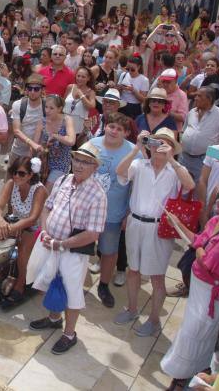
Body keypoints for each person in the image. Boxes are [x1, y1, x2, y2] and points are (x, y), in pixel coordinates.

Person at [160, 183, 219, 390]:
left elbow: (208, 261)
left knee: (197, 330)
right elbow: (197, 240)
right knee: (193, 329)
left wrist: (200, 247)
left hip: (214, 291)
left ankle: (187, 373)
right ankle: (186, 371)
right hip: (200, 286)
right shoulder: (215, 220)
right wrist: (178, 224)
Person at [26, 142, 107, 355]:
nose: (79, 165)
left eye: (86, 162)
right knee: (50, 280)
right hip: (50, 244)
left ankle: (69, 334)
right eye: (77, 159)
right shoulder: (63, 180)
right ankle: (54, 318)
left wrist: (61, 244)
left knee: (72, 292)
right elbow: (47, 207)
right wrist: (44, 232)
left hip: (72, 251)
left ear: (95, 167)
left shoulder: (98, 195)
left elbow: (92, 234)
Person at [115, 128, 194, 337]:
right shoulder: (139, 164)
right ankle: (132, 309)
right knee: (133, 270)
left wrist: (171, 159)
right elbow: (120, 172)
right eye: (156, 141)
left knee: (157, 276)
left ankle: (154, 319)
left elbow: (190, 185)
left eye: (165, 143)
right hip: (136, 223)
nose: (159, 146)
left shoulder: (176, 170)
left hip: (159, 227)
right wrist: (137, 149)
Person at [90, 112, 137, 308]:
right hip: (87, 210)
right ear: (105, 127)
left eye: (120, 129)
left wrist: (129, 212)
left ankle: (103, 285)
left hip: (114, 212)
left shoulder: (135, 151)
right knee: (78, 247)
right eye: (111, 126)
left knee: (109, 251)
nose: (114, 131)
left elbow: (136, 186)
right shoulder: (92, 144)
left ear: (126, 133)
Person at [0, 156, 47, 307]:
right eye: (14, 172)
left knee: (23, 250)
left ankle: (21, 281)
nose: (16, 176)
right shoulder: (11, 183)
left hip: (33, 227)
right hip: (14, 222)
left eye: (21, 173)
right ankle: (0, 272)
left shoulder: (39, 190)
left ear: (31, 175)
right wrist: (0, 220)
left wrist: (10, 228)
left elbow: (33, 218)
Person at [179, 86, 219, 181]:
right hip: (184, 157)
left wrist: (214, 161)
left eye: (199, 96)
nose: (195, 98)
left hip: (204, 160)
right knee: (180, 184)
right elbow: (183, 131)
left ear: (209, 99)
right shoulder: (192, 112)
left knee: (199, 187)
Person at [33, 95, 76, 188]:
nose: (47, 111)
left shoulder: (67, 120)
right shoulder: (42, 121)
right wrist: (43, 146)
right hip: (44, 161)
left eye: (51, 108)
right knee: (37, 188)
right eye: (46, 107)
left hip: (61, 162)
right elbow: (35, 144)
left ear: (60, 109)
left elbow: (72, 141)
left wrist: (56, 136)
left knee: (48, 189)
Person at [9, 73, 46, 163]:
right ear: (26, 90)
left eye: (36, 89)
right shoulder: (18, 104)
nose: (32, 92)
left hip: (39, 153)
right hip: (18, 151)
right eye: (30, 88)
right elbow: (16, 131)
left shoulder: (47, 106)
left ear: (42, 90)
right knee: (11, 176)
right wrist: (32, 144)